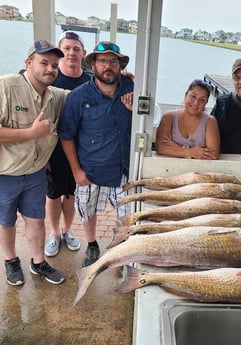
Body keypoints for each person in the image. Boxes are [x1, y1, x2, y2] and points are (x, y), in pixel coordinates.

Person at [58, 41, 134, 267]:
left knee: (127, 216)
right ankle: (92, 244)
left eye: (113, 61)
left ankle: (122, 247)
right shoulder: (78, 97)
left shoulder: (133, 91)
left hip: (124, 171)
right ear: (93, 64)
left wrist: (138, 102)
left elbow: (151, 119)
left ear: (120, 66)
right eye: (102, 61)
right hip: (90, 171)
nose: (108, 66)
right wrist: (76, 171)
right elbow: (66, 135)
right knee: (87, 211)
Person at [0, 40, 66, 286]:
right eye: (44, 63)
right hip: (5, 173)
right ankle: (11, 261)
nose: (50, 69)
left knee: (36, 220)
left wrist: (122, 78)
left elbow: (84, 95)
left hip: (36, 173)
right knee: (5, 222)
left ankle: (38, 263)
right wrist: (31, 133)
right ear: (28, 63)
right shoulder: (6, 87)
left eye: (54, 65)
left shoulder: (56, 96)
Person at [44, 31, 91, 257]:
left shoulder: (90, 81)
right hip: (53, 151)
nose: (71, 53)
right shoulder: (51, 78)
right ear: (61, 52)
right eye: (67, 48)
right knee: (53, 194)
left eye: (76, 49)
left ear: (83, 53)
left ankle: (67, 230)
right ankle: (54, 232)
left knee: (71, 193)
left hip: (79, 151)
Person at [155, 79, 220, 159]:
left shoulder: (210, 121)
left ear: (206, 103)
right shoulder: (169, 117)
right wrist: (193, 152)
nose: (196, 103)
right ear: (186, 95)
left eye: (202, 100)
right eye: (193, 96)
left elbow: (212, 155)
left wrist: (176, 147)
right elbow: (160, 148)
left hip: (198, 170)